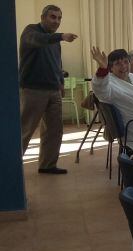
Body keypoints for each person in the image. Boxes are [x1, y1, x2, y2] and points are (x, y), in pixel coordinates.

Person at [19, 4, 77, 175]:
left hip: (53, 90)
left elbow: (57, 64)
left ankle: (47, 165)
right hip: (32, 90)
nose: (56, 21)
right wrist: (61, 36)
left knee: (54, 130)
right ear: (43, 17)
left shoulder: (54, 40)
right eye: (53, 17)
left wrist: (61, 83)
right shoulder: (31, 31)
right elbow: (38, 40)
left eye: (59, 18)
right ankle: (11, 166)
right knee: (25, 130)